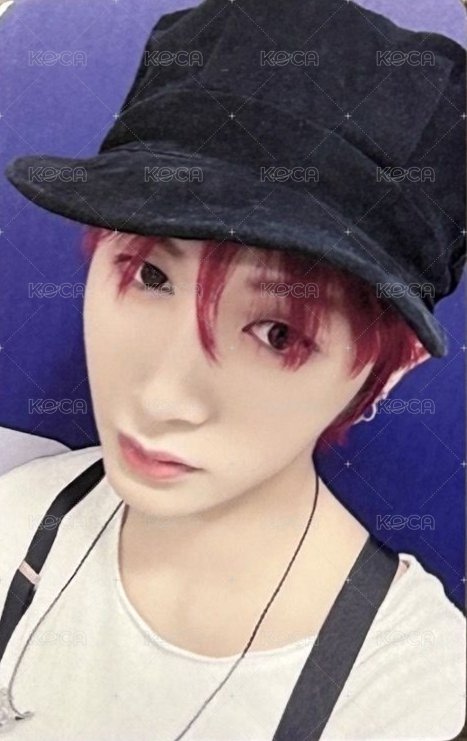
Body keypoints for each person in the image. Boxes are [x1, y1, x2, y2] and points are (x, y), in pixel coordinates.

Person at [1, 0, 465, 739]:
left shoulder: (408, 690)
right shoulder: (16, 511)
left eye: (278, 332)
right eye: (150, 275)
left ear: (386, 373)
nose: (162, 395)